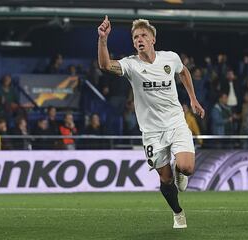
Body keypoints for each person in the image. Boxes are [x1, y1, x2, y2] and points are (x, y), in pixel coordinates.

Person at [97, 16, 205, 229]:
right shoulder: (131, 65)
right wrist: (103, 40)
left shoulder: (170, 58)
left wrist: (193, 99)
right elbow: (105, 65)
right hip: (152, 132)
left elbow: (183, 71)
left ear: (153, 39)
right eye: (136, 36)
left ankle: (180, 171)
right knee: (165, 181)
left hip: (176, 123)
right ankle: (178, 212)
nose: (139, 39)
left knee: (187, 168)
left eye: (143, 35)